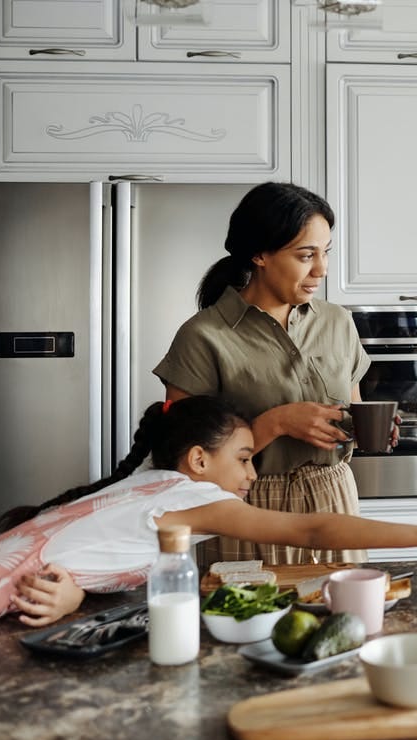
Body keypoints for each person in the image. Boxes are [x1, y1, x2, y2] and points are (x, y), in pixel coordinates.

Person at [0, 397, 417, 637]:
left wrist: (74, 593)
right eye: (243, 458)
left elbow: (87, 555)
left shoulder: (146, 486)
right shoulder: (188, 497)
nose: (252, 475)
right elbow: (311, 528)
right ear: (197, 461)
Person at [154, 182, 387, 566]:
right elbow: (185, 465)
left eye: (325, 253)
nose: (322, 269)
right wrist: (276, 422)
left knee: (345, 621)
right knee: (249, 621)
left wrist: (364, 428)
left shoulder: (337, 322)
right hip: (247, 510)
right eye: (305, 255)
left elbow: (352, 410)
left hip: (334, 499)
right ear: (259, 254)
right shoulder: (203, 336)